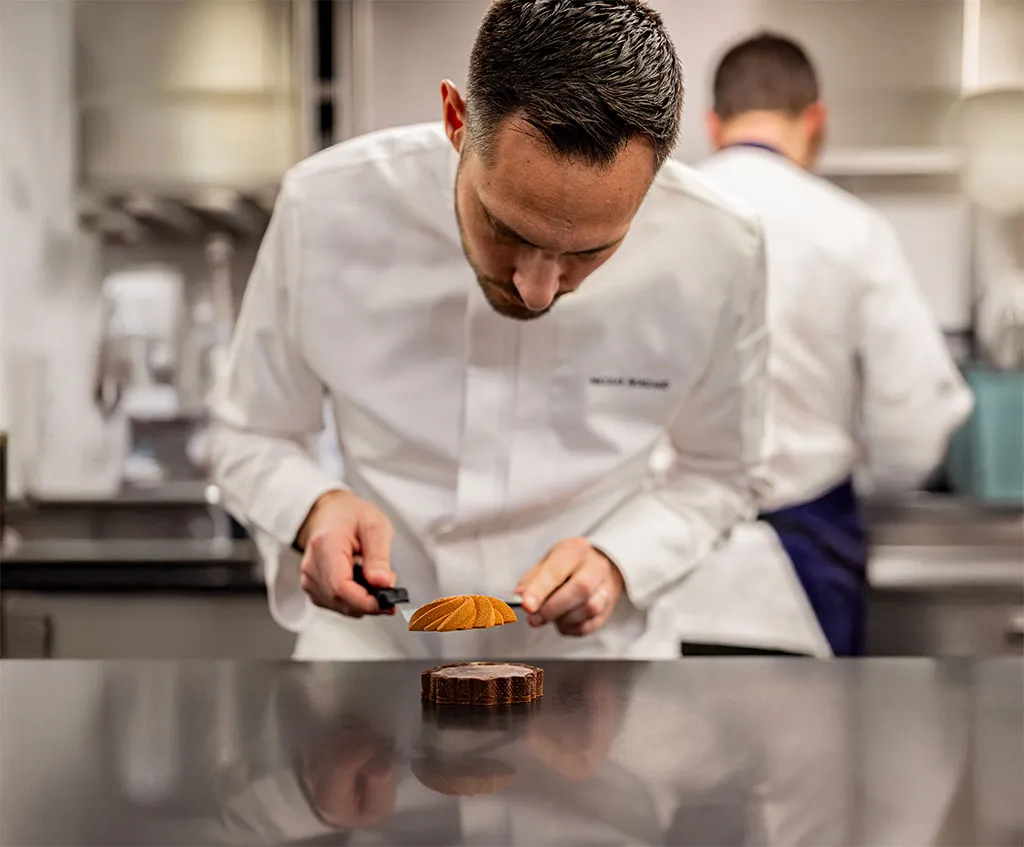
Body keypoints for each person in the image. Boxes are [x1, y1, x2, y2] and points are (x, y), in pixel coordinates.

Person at [208, 0, 779, 661]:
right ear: (457, 121)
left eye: (590, 251)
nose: (538, 289)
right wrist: (314, 509)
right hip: (375, 650)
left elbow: (723, 470)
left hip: (590, 665)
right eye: (506, 231)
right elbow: (248, 431)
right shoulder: (325, 207)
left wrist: (619, 561)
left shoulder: (719, 248)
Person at [646, 33, 974, 657]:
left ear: (713, 124)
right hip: (806, 553)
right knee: (811, 752)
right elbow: (917, 419)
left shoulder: (649, 217)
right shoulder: (853, 230)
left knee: (659, 751)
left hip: (662, 559)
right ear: (815, 119)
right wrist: (876, 475)